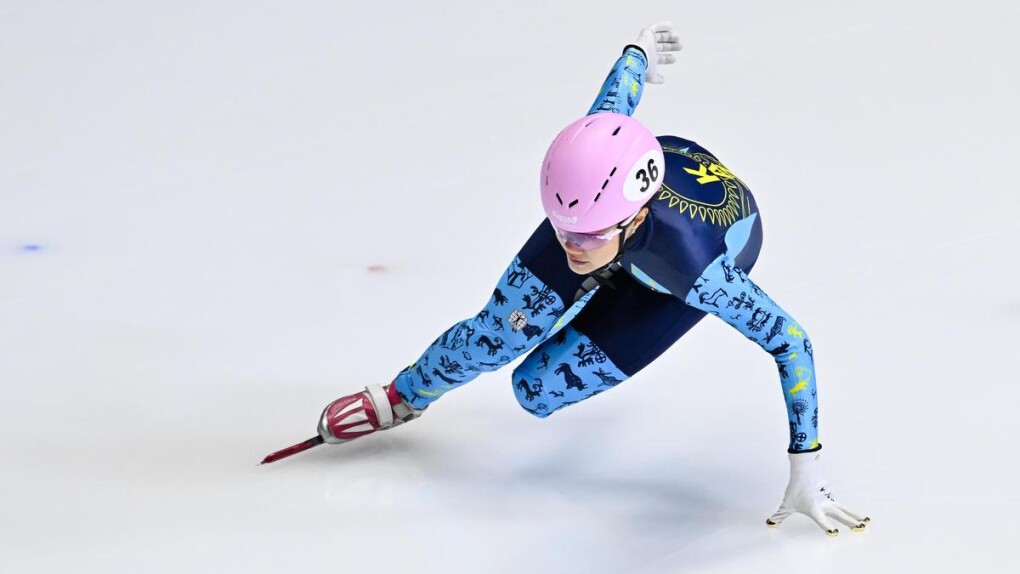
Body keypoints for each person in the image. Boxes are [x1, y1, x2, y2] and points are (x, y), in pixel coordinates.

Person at [307, 22, 869, 536]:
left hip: (677, 267)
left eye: (586, 236)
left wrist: (805, 467)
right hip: (628, 223)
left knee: (535, 389)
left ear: (636, 217)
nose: (571, 247)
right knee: (496, 333)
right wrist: (637, 53)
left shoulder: (699, 272)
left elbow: (790, 341)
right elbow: (618, 99)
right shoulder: (590, 178)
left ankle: (612, 288)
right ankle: (402, 397)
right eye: (562, 229)